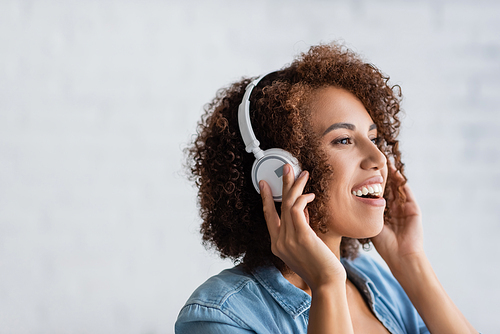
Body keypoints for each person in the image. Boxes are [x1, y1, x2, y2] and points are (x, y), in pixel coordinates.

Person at [175, 43, 478, 333]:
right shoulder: (222, 315)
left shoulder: (378, 281)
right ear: (278, 170)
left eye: (372, 139)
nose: (377, 159)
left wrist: (410, 261)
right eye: (344, 140)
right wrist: (327, 284)